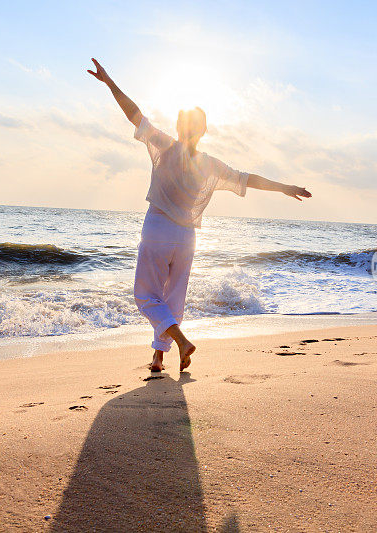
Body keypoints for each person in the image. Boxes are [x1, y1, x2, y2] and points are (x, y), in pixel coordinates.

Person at [87, 58, 312, 373]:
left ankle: (180, 342)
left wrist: (109, 83)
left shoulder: (165, 146)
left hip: (157, 229)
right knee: (172, 298)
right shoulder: (211, 165)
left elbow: (134, 113)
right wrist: (286, 187)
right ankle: (159, 355)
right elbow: (250, 179)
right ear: (204, 131)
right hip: (187, 238)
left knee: (147, 296)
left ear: (179, 127)